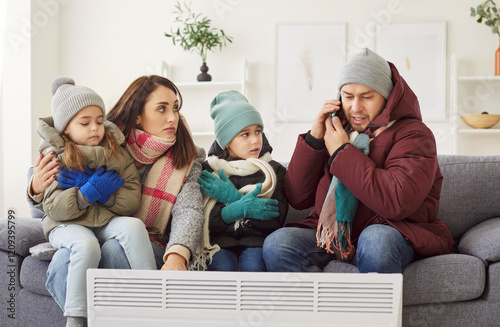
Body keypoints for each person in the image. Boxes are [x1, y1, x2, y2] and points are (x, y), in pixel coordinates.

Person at [27, 75, 205, 320]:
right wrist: (35, 187)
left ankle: (150, 315)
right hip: (81, 228)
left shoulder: (185, 157)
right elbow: (49, 194)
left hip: (145, 237)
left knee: (112, 248)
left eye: (175, 108)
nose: (173, 117)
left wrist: (177, 254)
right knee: (66, 258)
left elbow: (190, 210)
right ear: (138, 114)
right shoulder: (101, 137)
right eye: (162, 108)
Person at [263, 48, 454, 274]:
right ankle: (314, 308)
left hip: (395, 229)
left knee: (376, 241)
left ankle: (367, 308)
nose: (355, 107)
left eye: (367, 97)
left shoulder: (415, 135)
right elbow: (297, 197)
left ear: (388, 97)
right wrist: (314, 139)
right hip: (333, 233)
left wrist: (342, 153)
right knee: (278, 244)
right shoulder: (336, 130)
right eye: (348, 96)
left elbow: (396, 202)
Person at [38, 76, 157, 327]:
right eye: (85, 123)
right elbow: (52, 206)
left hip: (105, 220)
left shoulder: (115, 151)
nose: (95, 128)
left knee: (134, 226)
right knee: (86, 245)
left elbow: (133, 196)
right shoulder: (54, 155)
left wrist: (107, 194)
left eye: (100, 122)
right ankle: (76, 317)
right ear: (66, 128)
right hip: (66, 225)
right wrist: (85, 194)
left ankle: (154, 298)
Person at [196, 90, 288, 271]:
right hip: (217, 244)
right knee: (223, 269)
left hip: (257, 243)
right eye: (245, 134)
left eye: (258, 132)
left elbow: (275, 220)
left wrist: (233, 199)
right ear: (227, 141)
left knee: (252, 269)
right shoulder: (207, 171)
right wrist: (237, 209)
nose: (255, 140)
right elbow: (201, 221)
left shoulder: (274, 171)